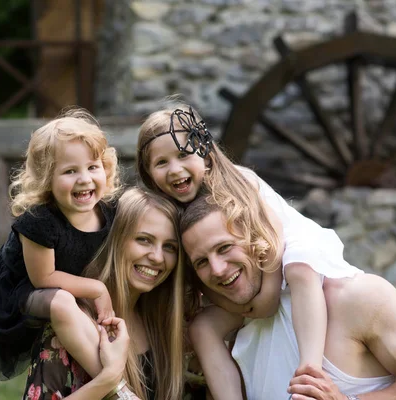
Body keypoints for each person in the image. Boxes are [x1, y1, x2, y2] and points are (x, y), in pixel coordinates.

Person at [136, 105, 361, 399]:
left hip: (282, 260)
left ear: (204, 153)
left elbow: (275, 242)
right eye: (162, 162)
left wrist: (266, 298)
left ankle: (310, 370)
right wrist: (243, 307)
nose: (175, 169)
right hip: (244, 290)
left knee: (299, 267)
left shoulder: (240, 182)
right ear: (150, 174)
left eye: (183, 155)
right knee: (203, 328)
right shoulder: (172, 215)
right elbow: (201, 277)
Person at [180, 194, 396, 399]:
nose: (217, 269)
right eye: (202, 261)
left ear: (255, 237)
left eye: (224, 248)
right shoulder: (227, 339)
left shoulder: (354, 299)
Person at [0, 108, 120, 383]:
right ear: (47, 180)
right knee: (64, 303)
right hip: (22, 291)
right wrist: (97, 288)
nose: (84, 178)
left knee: (82, 311)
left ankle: (115, 365)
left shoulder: (110, 211)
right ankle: (113, 382)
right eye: (70, 171)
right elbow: (43, 278)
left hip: (66, 284)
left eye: (93, 167)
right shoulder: (40, 220)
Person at [22, 187, 186, 399]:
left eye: (170, 247)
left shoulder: (164, 325)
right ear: (115, 240)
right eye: (144, 239)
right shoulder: (72, 325)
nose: (157, 257)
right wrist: (108, 380)